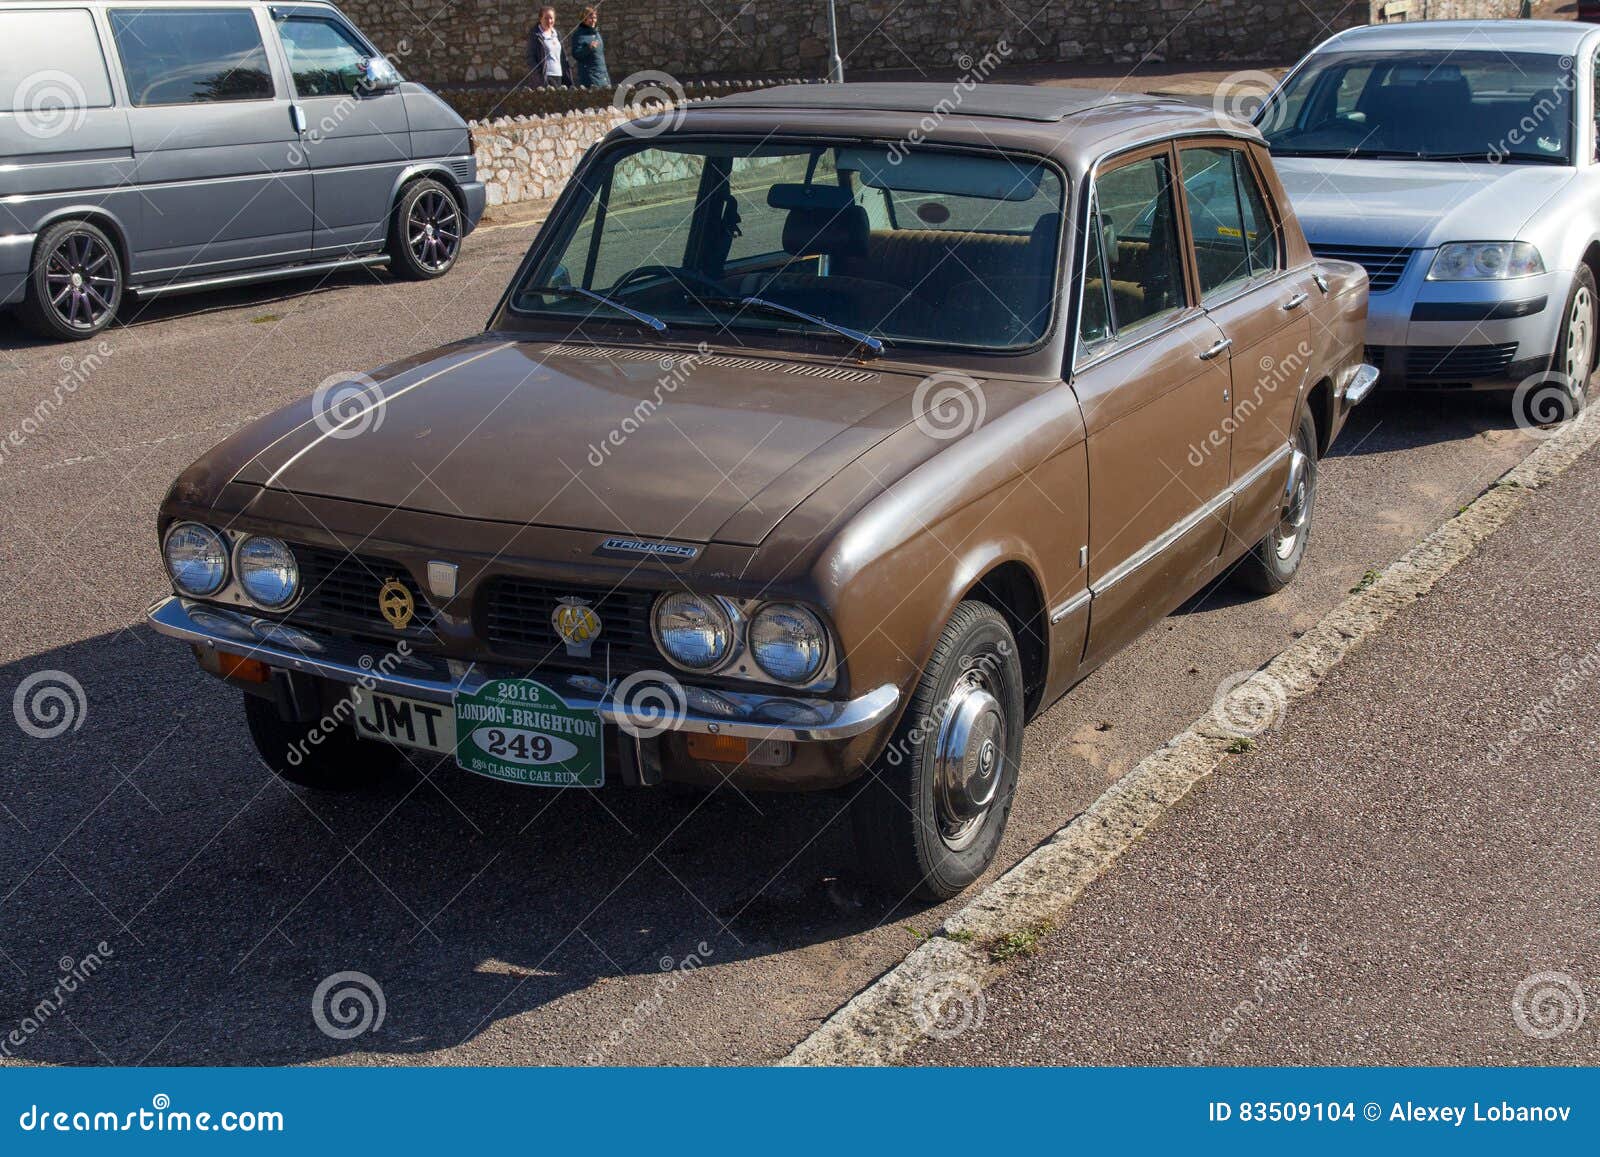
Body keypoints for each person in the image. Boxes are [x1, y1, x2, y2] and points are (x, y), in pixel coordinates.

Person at [526, 6, 572, 87]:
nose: (549, 21)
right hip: (544, 77)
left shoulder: (557, 34)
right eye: (546, 18)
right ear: (540, 19)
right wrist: (539, 75)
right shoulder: (535, 35)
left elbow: (562, 57)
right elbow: (530, 58)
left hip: (558, 75)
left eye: (551, 18)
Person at [569, 7, 610, 88]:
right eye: (590, 18)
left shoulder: (597, 34)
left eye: (594, 17)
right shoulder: (579, 34)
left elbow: (600, 58)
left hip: (603, 75)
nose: (593, 20)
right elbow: (576, 54)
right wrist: (588, 48)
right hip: (589, 76)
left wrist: (607, 78)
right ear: (584, 19)